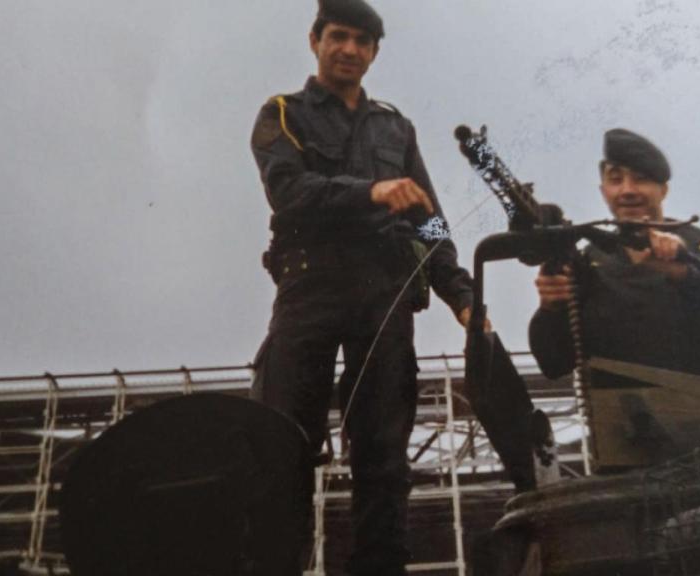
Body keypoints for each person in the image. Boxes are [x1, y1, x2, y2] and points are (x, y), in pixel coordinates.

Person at [248, 1, 474, 574]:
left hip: (383, 292)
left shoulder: (394, 128)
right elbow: (288, 191)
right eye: (339, 37)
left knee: (384, 453)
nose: (349, 50)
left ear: (375, 52)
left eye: (362, 42)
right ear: (315, 40)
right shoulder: (282, 113)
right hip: (311, 288)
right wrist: (369, 192)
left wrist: (462, 296)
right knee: (283, 443)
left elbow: (428, 219)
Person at [530, 128, 700, 397]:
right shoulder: (589, 262)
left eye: (641, 179)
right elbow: (553, 363)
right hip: (621, 418)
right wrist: (550, 308)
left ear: (663, 190)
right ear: (604, 191)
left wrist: (677, 268)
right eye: (616, 180)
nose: (627, 191)